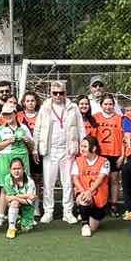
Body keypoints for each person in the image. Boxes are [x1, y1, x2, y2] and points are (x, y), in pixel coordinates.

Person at [34, 81, 82, 224]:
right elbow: (38, 128)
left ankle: (68, 212)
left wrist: (82, 146)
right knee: (48, 183)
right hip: (50, 151)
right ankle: (48, 212)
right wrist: (35, 148)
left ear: (65, 93)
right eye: (55, 93)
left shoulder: (73, 107)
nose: (58, 96)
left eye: (61, 93)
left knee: (67, 183)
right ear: (51, 93)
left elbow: (80, 128)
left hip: (68, 150)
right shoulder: (45, 107)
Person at [0, 102, 34, 226]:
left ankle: (26, 216)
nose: (7, 116)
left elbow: (32, 146)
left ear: (15, 113)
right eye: (5, 114)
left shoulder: (24, 128)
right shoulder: (0, 129)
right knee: (4, 187)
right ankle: (1, 216)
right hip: (5, 159)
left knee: (24, 185)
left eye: (9, 113)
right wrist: (9, 141)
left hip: (22, 158)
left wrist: (28, 140)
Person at [72, 135, 110, 237]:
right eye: (81, 146)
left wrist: (89, 191)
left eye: (85, 146)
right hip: (84, 193)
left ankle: (85, 214)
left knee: (93, 226)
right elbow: (75, 178)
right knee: (83, 199)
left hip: (99, 197)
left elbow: (100, 178)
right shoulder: (77, 160)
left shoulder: (104, 161)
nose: (82, 149)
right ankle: (84, 224)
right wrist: (83, 192)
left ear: (93, 148)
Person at [0, 157, 39, 239]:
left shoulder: (30, 182)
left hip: (27, 207)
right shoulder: (7, 178)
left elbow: (29, 202)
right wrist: (27, 195)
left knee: (26, 229)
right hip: (14, 204)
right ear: (10, 170)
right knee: (14, 203)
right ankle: (11, 228)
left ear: (23, 169)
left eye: (19, 168)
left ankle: (22, 219)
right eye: (14, 169)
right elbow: (9, 198)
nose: (16, 171)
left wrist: (16, 197)